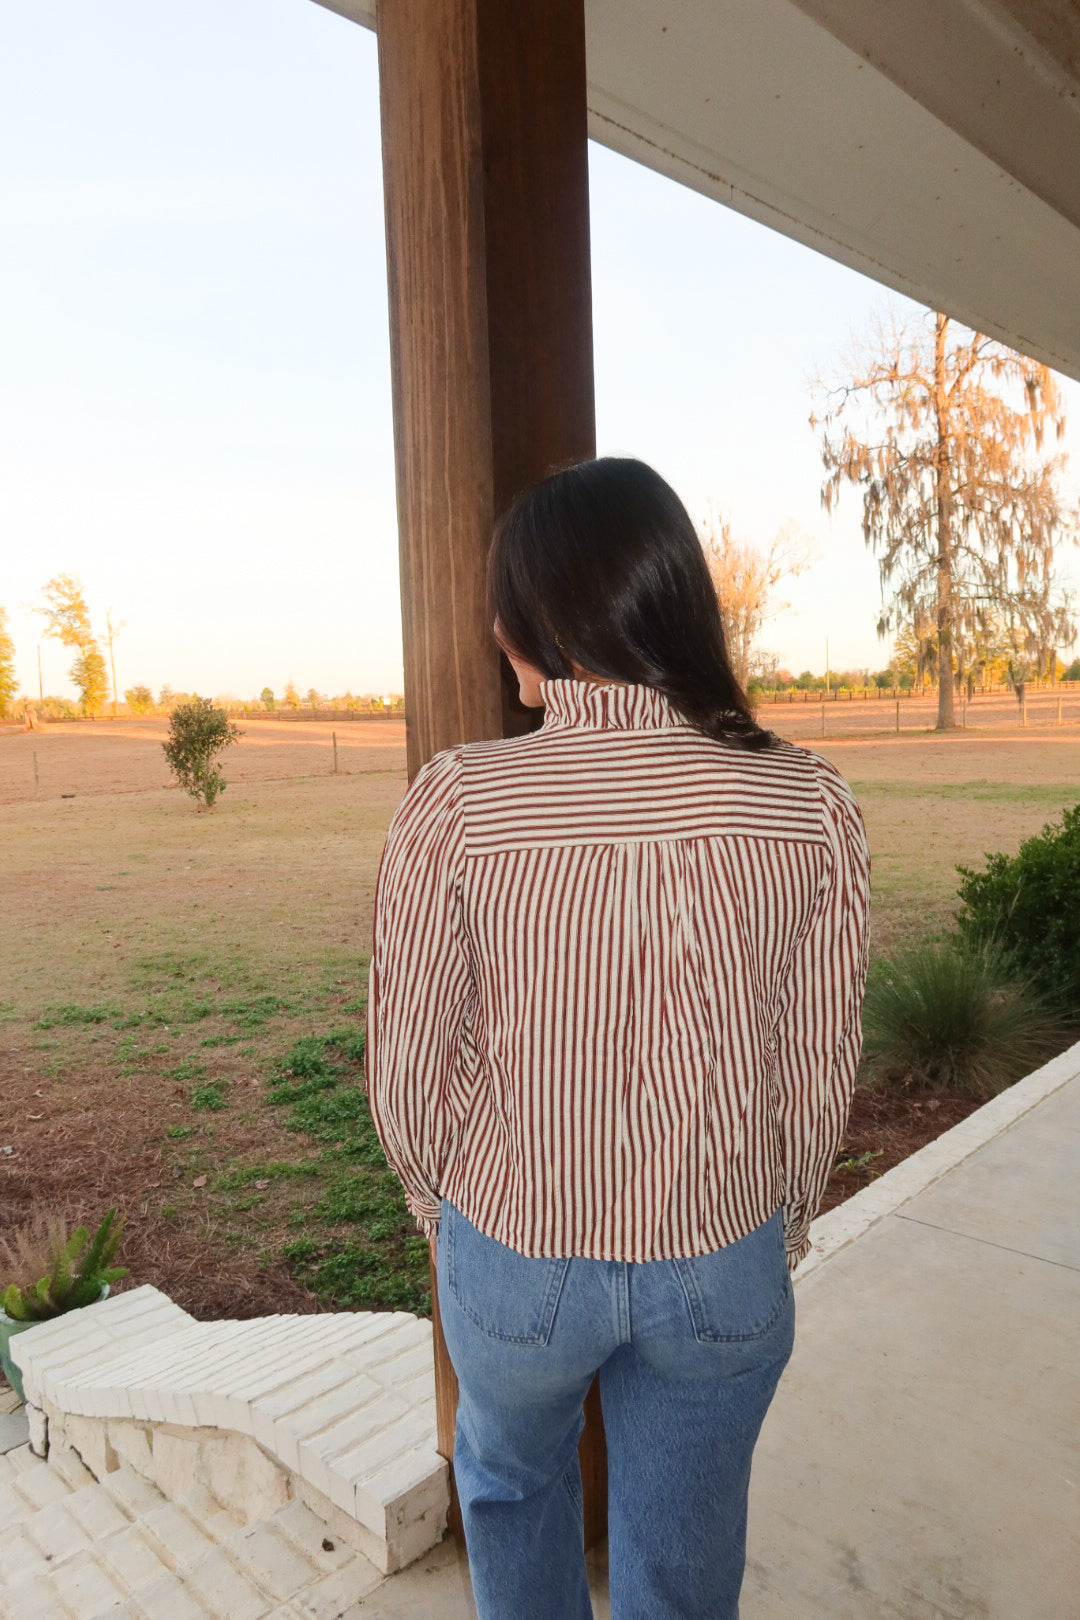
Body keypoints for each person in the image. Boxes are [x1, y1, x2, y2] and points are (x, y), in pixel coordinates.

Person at [365, 456, 872, 1619]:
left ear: (530, 625)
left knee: (506, 1479)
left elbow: (409, 1063)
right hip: (721, 1254)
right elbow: (817, 1061)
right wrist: (781, 1210)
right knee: (685, 1562)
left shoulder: (457, 803)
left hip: (515, 1254)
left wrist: (443, 1211)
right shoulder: (808, 804)